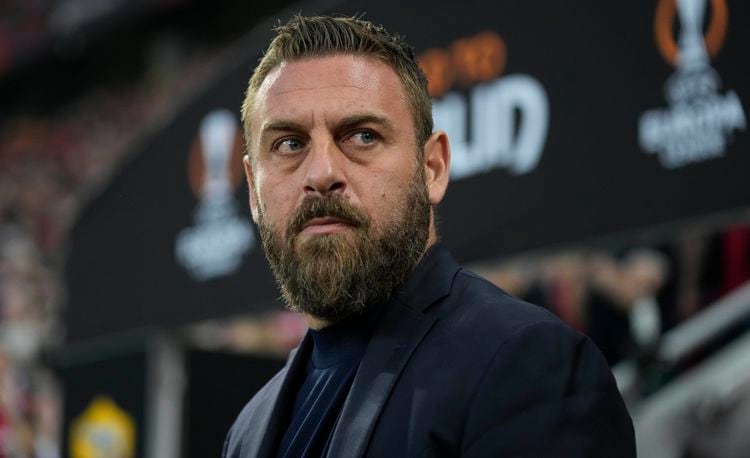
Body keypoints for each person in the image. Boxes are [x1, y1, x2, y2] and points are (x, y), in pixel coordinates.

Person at [224, 15, 635, 457]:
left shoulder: (529, 363)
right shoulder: (248, 429)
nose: (322, 173)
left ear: (432, 168)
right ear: (253, 188)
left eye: (363, 136)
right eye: (289, 144)